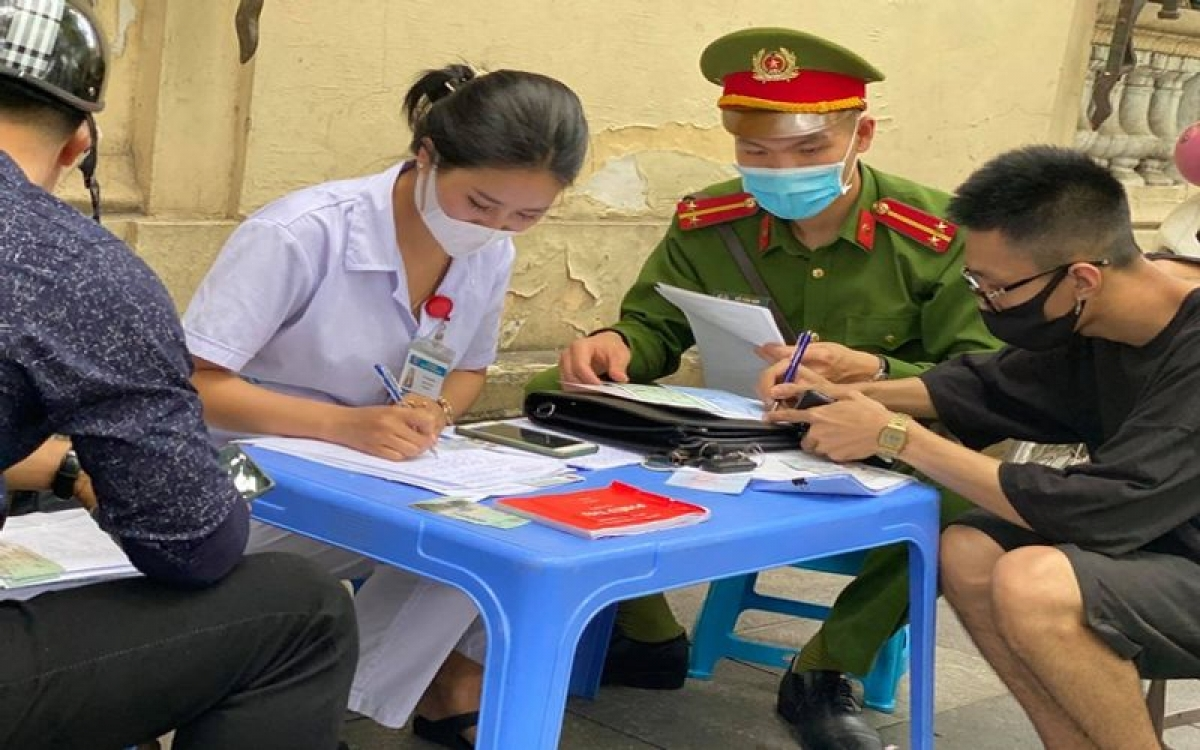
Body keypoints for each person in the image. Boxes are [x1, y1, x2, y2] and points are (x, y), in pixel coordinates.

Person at [525, 26, 998, 749]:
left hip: (875, 433)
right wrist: (615, 344)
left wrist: (874, 376)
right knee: (555, 396)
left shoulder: (934, 235)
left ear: (860, 135)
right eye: (756, 152)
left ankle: (826, 668)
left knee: (971, 486)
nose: (780, 171)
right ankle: (646, 630)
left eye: (808, 151)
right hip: (737, 424)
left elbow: (979, 377)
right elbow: (654, 324)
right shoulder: (711, 222)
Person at [183, 64, 588, 748]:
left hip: (381, 463)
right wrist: (345, 426)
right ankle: (303, 698)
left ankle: (352, 697)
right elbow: (193, 382)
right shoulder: (303, 232)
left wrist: (435, 413)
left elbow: (467, 369)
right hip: (232, 467)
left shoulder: (490, 254)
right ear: (426, 156)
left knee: (501, 540)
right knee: (315, 548)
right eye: (480, 204)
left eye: (527, 215)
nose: (496, 227)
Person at [0, 2, 358, 749]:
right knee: (301, 611)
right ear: (80, 145)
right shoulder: (76, 270)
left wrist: (67, 469)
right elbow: (191, 545)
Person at [765, 145, 1200, 750]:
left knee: (1034, 581)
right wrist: (838, 390)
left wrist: (896, 436)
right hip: (1164, 538)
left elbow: (1109, 505)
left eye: (995, 288)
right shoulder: (1108, 313)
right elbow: (991, 386)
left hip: (1164, 537)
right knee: (967, 550)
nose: (984, 302)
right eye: (975, 281)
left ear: (1081, 278)